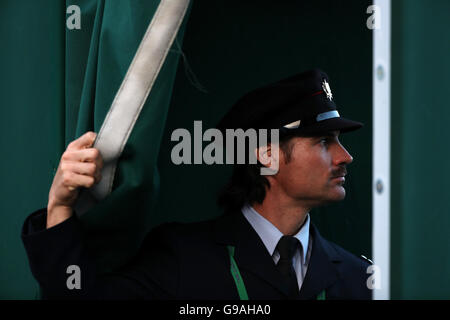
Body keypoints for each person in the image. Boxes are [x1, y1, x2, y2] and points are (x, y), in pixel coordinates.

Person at [22, 69, 371, 300]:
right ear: (267, 155)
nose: (345, 156)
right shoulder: (182, 258)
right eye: (324, 142)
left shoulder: (360, 277)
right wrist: (60, 208)